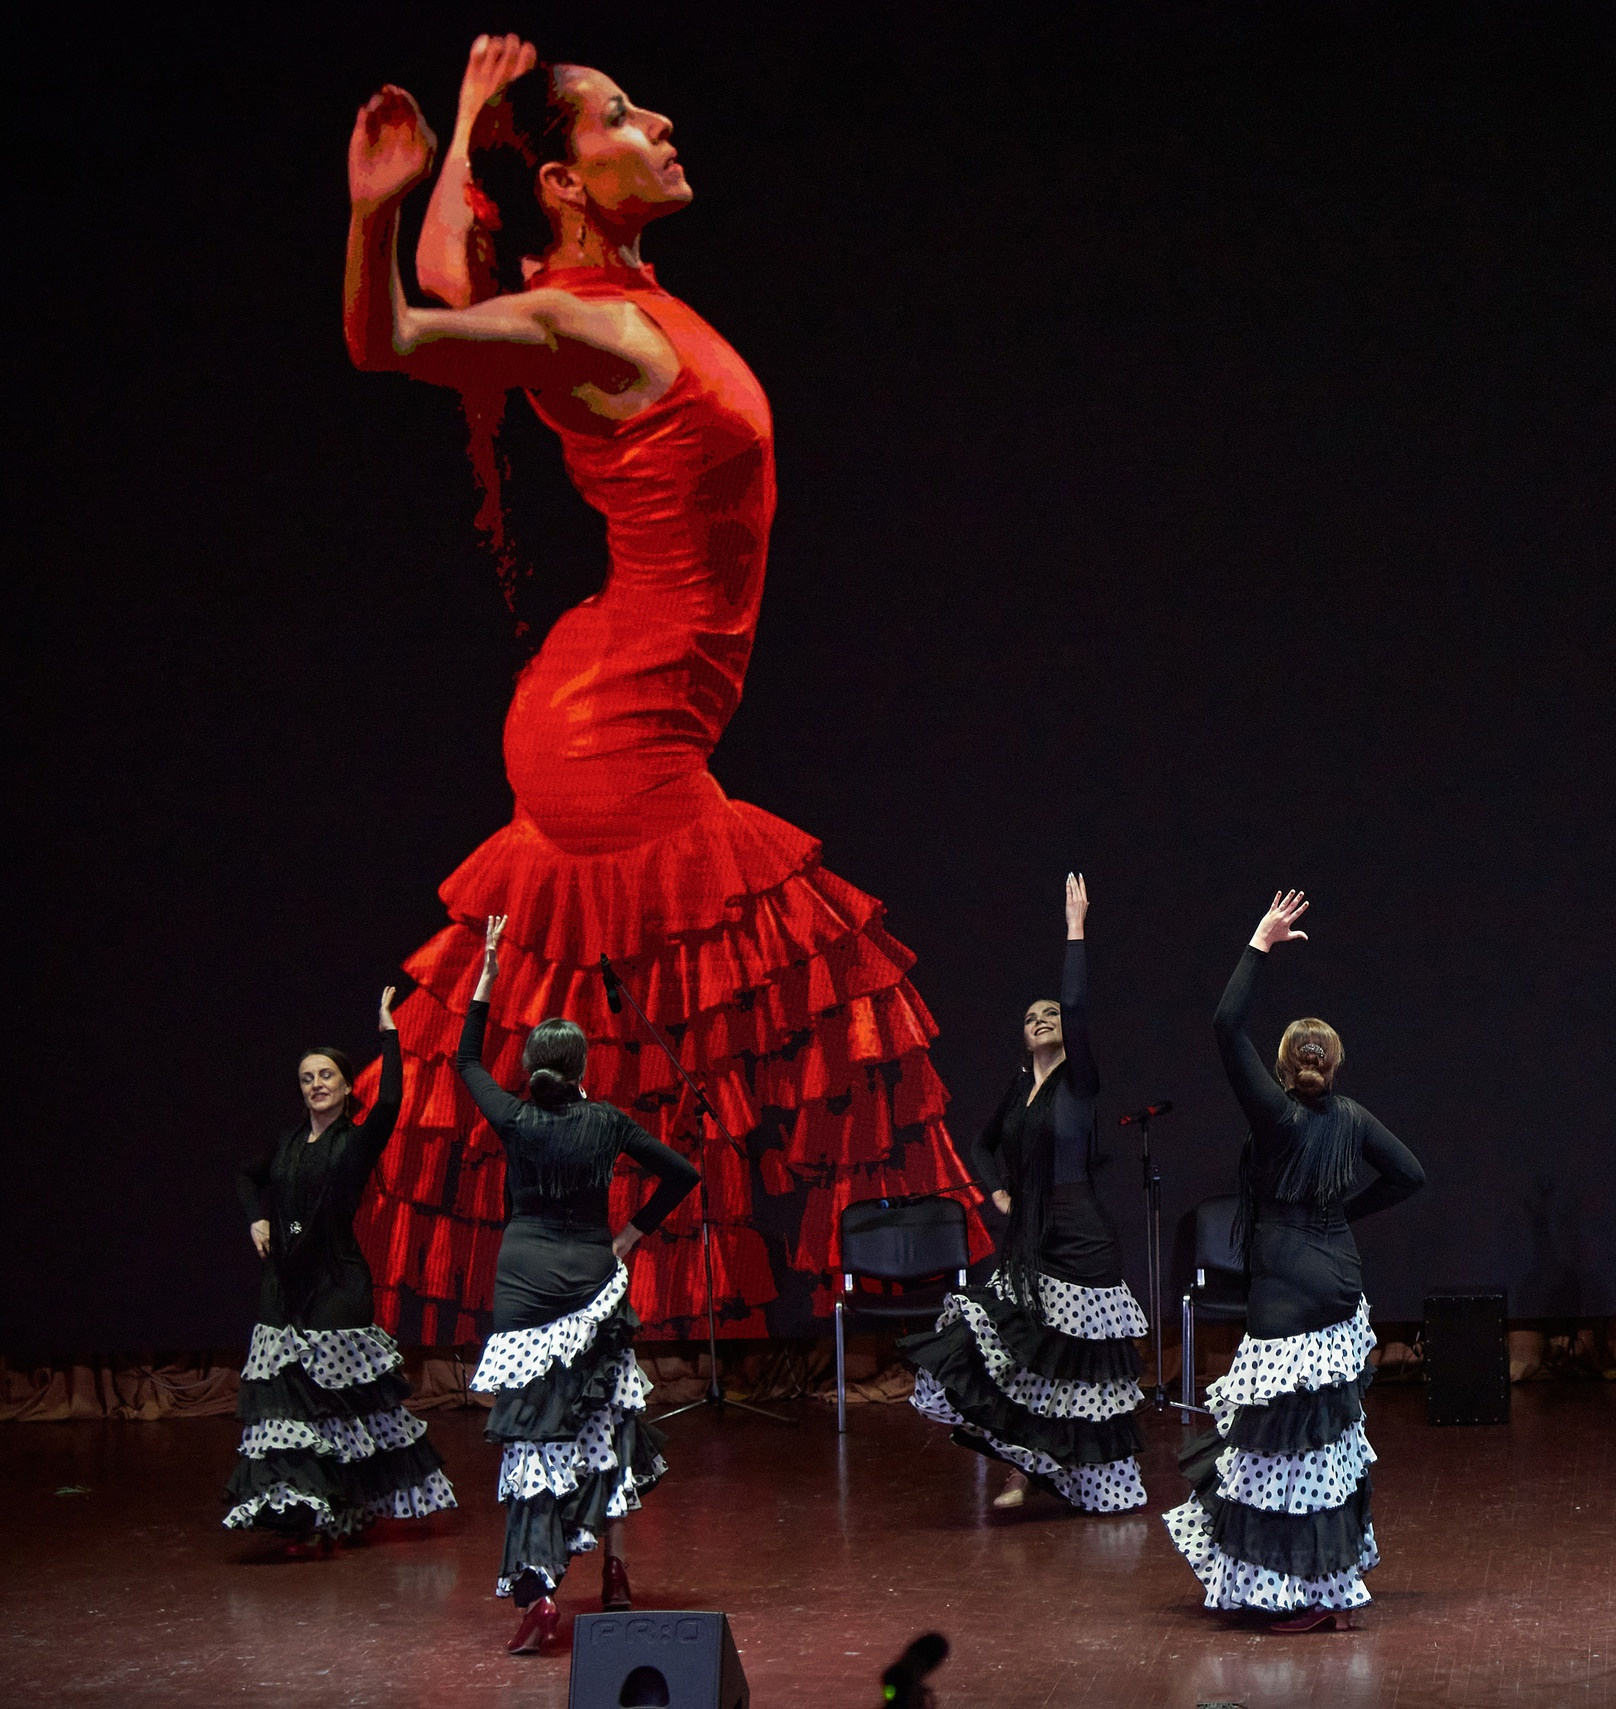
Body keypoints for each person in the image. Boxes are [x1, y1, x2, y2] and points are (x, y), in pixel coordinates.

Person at [335, 36, 986, 1347]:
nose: (664, 122)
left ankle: (592, 1327)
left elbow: (459, 279)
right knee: (834, 995)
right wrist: (375, 211)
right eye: (624, 116)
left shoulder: (591, 295)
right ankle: (969, 1329)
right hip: (613, 729)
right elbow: (399, 333)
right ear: (571, 184)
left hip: (616, 693)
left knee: (652, 1048)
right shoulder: (579, 318)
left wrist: (467, 124)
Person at [1164, 891, 1426, 1631]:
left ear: (1283, 1066)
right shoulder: (1352, 1118)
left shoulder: (1276, 1118)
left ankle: (1301, 1592)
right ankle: (1330, 1583)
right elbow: (1412, 1174)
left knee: (1278, 1454)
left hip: (1283, 1291)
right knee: (1329, 1446)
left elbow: (1223, 1024)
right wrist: (1345, 1214)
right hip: (1340, 1289)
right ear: (1334, 1065)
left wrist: (1258, 942)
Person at [459, 915, 703, 1654]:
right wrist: (634, 1231)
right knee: (606, 1426)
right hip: (594, 1287)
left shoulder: (517, 1116)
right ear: (583, 1064)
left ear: (534, 1063)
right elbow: (684, 1174)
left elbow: (466, 1062)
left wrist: (488, 977)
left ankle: (537, 1589)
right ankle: (615, 1569)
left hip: (525, 1288)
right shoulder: (607, 1121)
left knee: (533, 1436)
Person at [905, 874, 1148, 1512]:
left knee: (1077, 1367)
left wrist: (1075, 931)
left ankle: (1074, 1475)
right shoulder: (1020, 1090)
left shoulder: (1080, 1081)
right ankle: (1022, 1464)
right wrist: (997, 1192)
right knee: (1016, 1353)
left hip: (1084, 1239)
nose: (1042, 1020)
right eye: (1031, 1016)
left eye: (1051, 1015)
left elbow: (1077, 1001)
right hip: (1031, 1238)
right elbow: (982, 1146)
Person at [225, 988, 458, 1552]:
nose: (316, 1084)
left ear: (346, 1085)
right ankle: (301, 1506)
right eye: (307, 1078)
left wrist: (389, 1034)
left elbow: (393, 1104)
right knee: (285, 1395)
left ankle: (338, 1506)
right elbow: (244, 1177)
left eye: (326, 1075)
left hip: (336, 1282)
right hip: (285, 1282)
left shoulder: (355, 1142)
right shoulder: (285, 1146)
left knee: (333, 1400)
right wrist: (257, 1221)